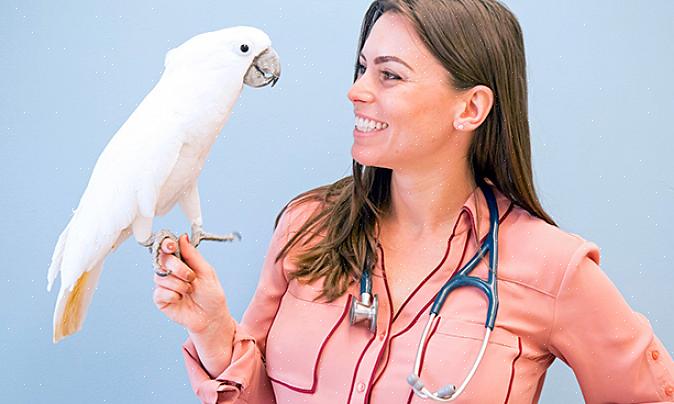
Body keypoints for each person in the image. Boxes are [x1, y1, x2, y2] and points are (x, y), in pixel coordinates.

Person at [151, 0, 674, 403]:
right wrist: (214, 328)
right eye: (362, 68)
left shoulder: (553, 269)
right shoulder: (306, 227)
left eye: (390, 74)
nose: (356, 90)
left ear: (470, 107)